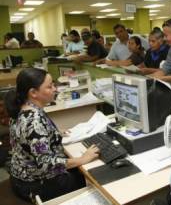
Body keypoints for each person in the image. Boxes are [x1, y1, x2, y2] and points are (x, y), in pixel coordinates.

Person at [4, 68, 99, 202]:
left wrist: (52, 132)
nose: (55, 89)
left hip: (20, 176)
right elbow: (47, 164)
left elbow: (27, 136)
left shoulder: (21, 108)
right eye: (49, 86)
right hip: (35, 184)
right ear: (33, 93)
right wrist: (83, 159)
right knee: (92, 177)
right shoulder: (34, 121)